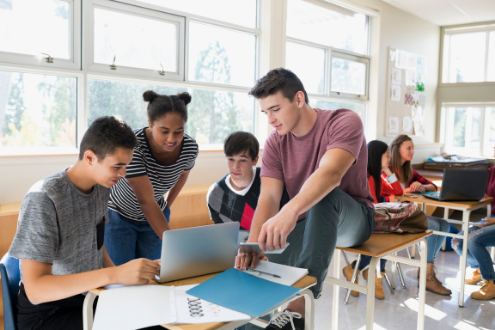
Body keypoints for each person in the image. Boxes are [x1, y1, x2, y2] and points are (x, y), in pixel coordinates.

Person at [236, 68, 375, 330]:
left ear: (299, 99)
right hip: (306, 222)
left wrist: (288, 213)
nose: (270, 119)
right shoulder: (276, 143)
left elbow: (331, 174)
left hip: (353, 217)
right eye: (266, 112)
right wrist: (254, 246)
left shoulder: (344, 121)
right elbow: (268, 196)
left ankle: (300, 306)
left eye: (275, 109)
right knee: (255, 273)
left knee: (325, 196)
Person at [8, 117, 163, 330]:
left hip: (89, 297)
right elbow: (36, 290)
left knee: (158, 319)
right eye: (118, 166)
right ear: (90, 157)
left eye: (126, 165)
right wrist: (114, 274)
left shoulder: (101, 186)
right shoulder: (44, 198)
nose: (124, 174)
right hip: (48, 312)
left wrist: (121, 281)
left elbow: (97, 243)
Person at [106, 91, 199, 265]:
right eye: (164, 131)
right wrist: (174, 243)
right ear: (150, 124)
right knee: (122, 276)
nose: (172, 139)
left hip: (155, 215)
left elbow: (183, 175)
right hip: (119, 216)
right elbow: (146, 201)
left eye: (179, 131)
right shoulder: (133, 146)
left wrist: (166, 206)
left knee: (151, 274)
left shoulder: (190, 148)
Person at [389, 134, 451, 295]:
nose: (412, 151)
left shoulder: (408, 170)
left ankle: (426, 269)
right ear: (397, 150)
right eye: (408, 148)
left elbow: (433, 186)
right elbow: (389, 193)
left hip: (408, 215)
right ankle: (427, 275)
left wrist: (423, 187)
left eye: (413, 148)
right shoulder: (387, 170)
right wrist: (407, 190)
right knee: (435, 225)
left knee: (444, 225)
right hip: (393, 218)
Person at [342, 140, 403, 300]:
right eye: (387, 156)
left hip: (371, 222)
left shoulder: (377, 178)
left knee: (387, 237)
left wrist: (387, 170)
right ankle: (369, 271)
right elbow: (371, 207)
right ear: (377, 156)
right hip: (359, 224)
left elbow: (398, 190)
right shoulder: (366, 177)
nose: (389, 159)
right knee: (386, 238)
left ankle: (366, 270)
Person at [207, 131, 290, 234]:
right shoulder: (216, 193)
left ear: (255, 160)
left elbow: (287, 220)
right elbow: (221, 235)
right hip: (236, 249)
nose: (235, 167)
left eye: (242, 160)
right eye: (231, 159)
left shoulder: (271, 181)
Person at [452, 165, 495, 300]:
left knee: (474, 239)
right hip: (491, 218)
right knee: (457, 241)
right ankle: (478, 269)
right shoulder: (491, 171)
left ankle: (491, 281)